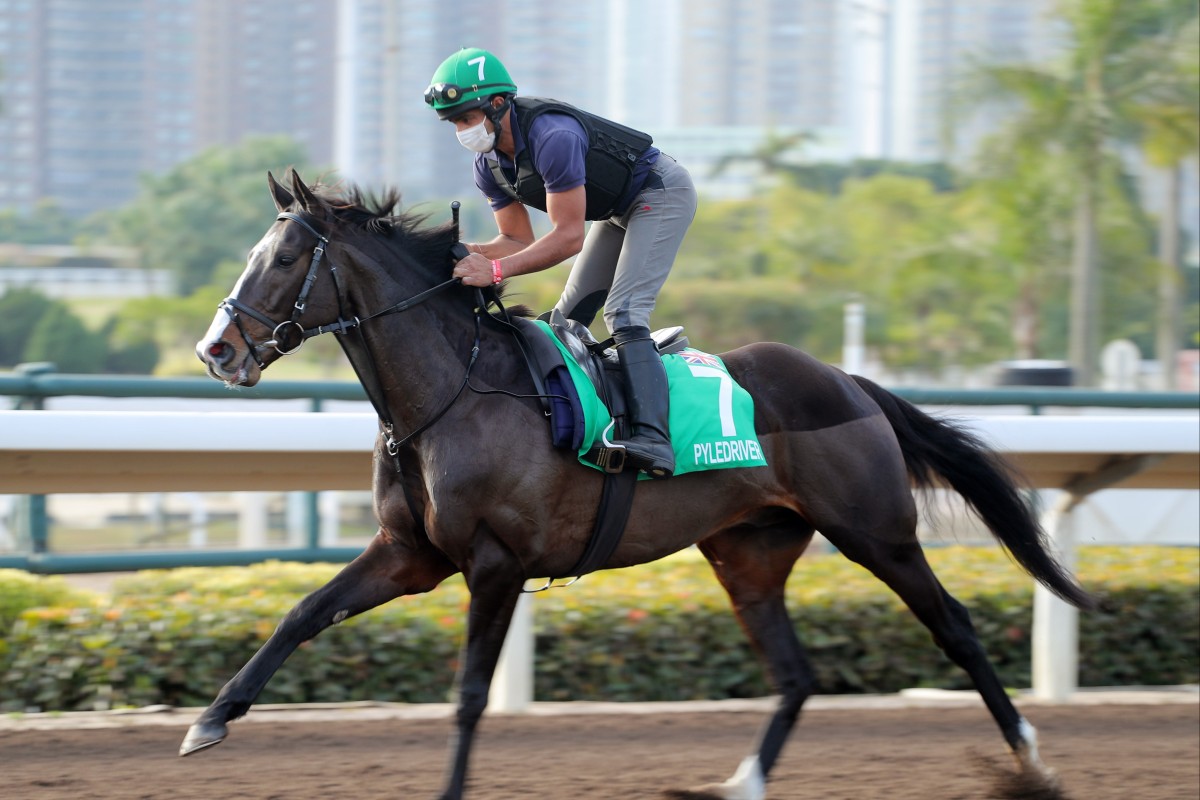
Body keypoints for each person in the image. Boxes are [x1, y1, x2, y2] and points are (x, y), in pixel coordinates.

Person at [426, 47, 697, 479]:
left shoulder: (554, 136)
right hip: (616, 211)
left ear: (498, 104)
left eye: (466, 117)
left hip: (660, 194)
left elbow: (568, 237)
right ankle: (598, 422)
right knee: (565, 324)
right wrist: (461, 253)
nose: (462, 130)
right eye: (454, 122)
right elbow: (515, 239)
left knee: (624, 312)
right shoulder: (488, 165)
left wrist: (493, 272)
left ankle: (653, 439)